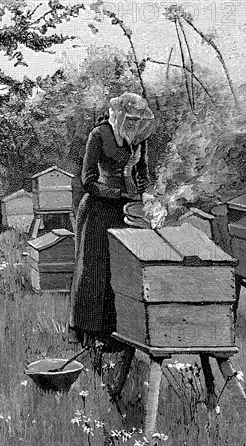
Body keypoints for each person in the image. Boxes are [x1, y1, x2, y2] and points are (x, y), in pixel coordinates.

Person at [69, 92, 155, 349]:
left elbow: (144, 174)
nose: (133, 124)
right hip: (97, 211)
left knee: (119, 270)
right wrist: (118, 193)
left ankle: (116, 335)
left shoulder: (140, 139)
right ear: (118, 114)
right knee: (94, 269)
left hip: (125, 213)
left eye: (138, 119)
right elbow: (88, 180)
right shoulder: (99, 135)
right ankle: (87, 332)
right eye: (130, 119)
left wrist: (143, 187)